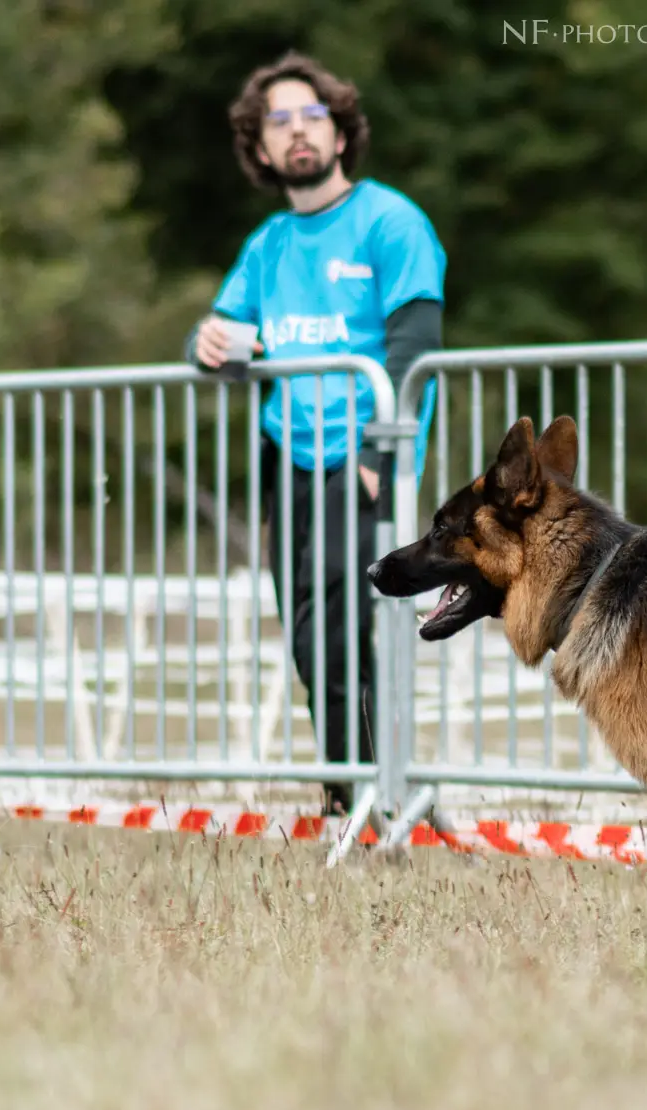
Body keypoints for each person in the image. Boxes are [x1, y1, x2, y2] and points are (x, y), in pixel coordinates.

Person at [185, 51, 447, 815]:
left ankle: (367, 793)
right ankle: (360, 789)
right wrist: (208, 345)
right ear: (259, 149)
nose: (296, 132)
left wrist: (375, 456)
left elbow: (416, 343)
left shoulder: (390, 220)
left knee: (337, 622)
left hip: (363, 459)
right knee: (307, 634)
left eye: (310, 116)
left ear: (340, 131)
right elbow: (226, 341)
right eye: (278, 122)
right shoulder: (267, 245)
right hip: (287, 459)